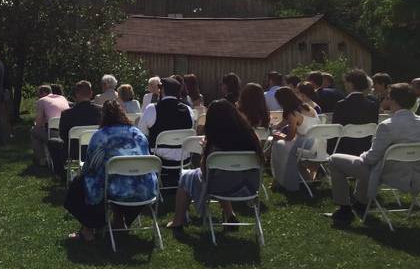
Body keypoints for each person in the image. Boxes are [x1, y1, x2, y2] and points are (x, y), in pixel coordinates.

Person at [329, 83, 420, 222]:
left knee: (335, 160)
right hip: (414, 174)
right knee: (370, 162)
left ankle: (344, 209)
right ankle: (361, 203)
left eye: (388, 97)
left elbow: (371, 159)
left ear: (394, 100)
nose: (386, 100)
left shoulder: (388, 125)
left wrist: (362, 156)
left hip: (387, 173)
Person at [64, 100, 158, 242]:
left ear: (103, 116)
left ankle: (88, 229)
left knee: (80, 183)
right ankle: (119, 221)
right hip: (144, 190)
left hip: (117, 191)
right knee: (121, 177)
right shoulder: (138, 134)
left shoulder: (101, 136)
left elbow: (90, 166)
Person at [168, 99, 264, 229]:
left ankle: (178, 221)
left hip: (219, 186)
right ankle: (230, 215)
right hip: (248, 186)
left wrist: (204, 150)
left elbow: (205, 172)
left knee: (186, 176)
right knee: (224, 175)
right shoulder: (251, 136)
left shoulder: (214, 142)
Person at [137, 77, 194, 177]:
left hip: (158, 160)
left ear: (162, 90)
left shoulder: (152, 108)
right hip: (184, 159)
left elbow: (141, 133)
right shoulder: (188, 110)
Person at [47, 81, 102, 179]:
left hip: (74, 151)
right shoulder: (102, 111)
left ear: (76, 94)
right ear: (91, 93)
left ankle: (62, 175)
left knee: (53, 142)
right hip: (97, 149)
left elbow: (63, 135)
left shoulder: (67, 114)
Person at [269, 86, 319, 192]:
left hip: (304, 146)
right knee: (279, 144)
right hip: (318, 144)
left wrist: (278, 136)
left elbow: (290, 136)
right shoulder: (309, 108)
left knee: (278, 145)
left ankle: (278, 180)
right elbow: (282, 124)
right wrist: (274, 127)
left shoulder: (293, 113)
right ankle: (279, 179)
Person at [333, 69, 380, 156]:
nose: (345, 85)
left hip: (344, 150)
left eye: (345, 83)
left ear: (350, 84)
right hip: (366, 148)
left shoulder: (341, 105)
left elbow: (336, 131)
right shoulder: (373, 105)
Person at [29, 84, 69, 165]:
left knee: (34, 131)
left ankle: (42, 159)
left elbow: (39, 123)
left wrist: (36, 125)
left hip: (53, 135)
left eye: (38, 94)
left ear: (43, 92)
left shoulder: (42, 101)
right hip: (67, 134)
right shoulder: (62, 98)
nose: (38, 96)